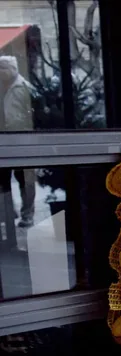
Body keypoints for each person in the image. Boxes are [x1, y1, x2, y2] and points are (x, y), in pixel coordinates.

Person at [0, 55, 35, 228]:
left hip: (23, 141)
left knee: (25, 180)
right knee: (3, 179)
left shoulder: (25, 87)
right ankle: (7, 211)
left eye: (3, 68)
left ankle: (28, 214)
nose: (1, 72)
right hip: (3, 141)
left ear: (13, 69)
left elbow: (37, 115)